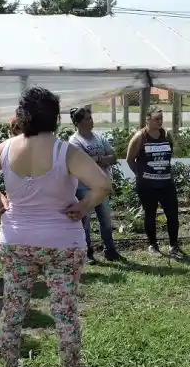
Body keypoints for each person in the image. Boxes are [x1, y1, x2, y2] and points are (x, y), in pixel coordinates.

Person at [0, 87, 111, 367]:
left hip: (16, 241)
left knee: (13, 307)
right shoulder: (64, 151)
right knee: (64, 311)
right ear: (55, 117)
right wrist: (82, 206)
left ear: (23, 115)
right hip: (62, 243)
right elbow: (103, 185)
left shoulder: (5, 149)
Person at [126, 108, 184, 258]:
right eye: (156, 119)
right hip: (147, 186)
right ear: (147, 120)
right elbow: (130, 159)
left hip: (166, 183)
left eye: (161, 118)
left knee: (172, 215)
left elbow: (169, 154)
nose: (160, 121)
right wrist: (140, 175)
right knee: (150, 214)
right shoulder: (140, 137)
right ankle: (153, 245)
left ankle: (173, 246)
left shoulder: (166, 135)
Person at [68, 107, 122, 263]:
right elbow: (83, 163)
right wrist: (101, 158)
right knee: (85, 222)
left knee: (105, 219)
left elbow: (113, 157)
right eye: (86, 119)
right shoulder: (75, 141)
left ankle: (110, 251)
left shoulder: (99, 137)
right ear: (77, 123)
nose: (91, 121)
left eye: (91, 118)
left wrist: (96, 159)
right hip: (84, 187)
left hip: (101, 187)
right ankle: (87, 253)